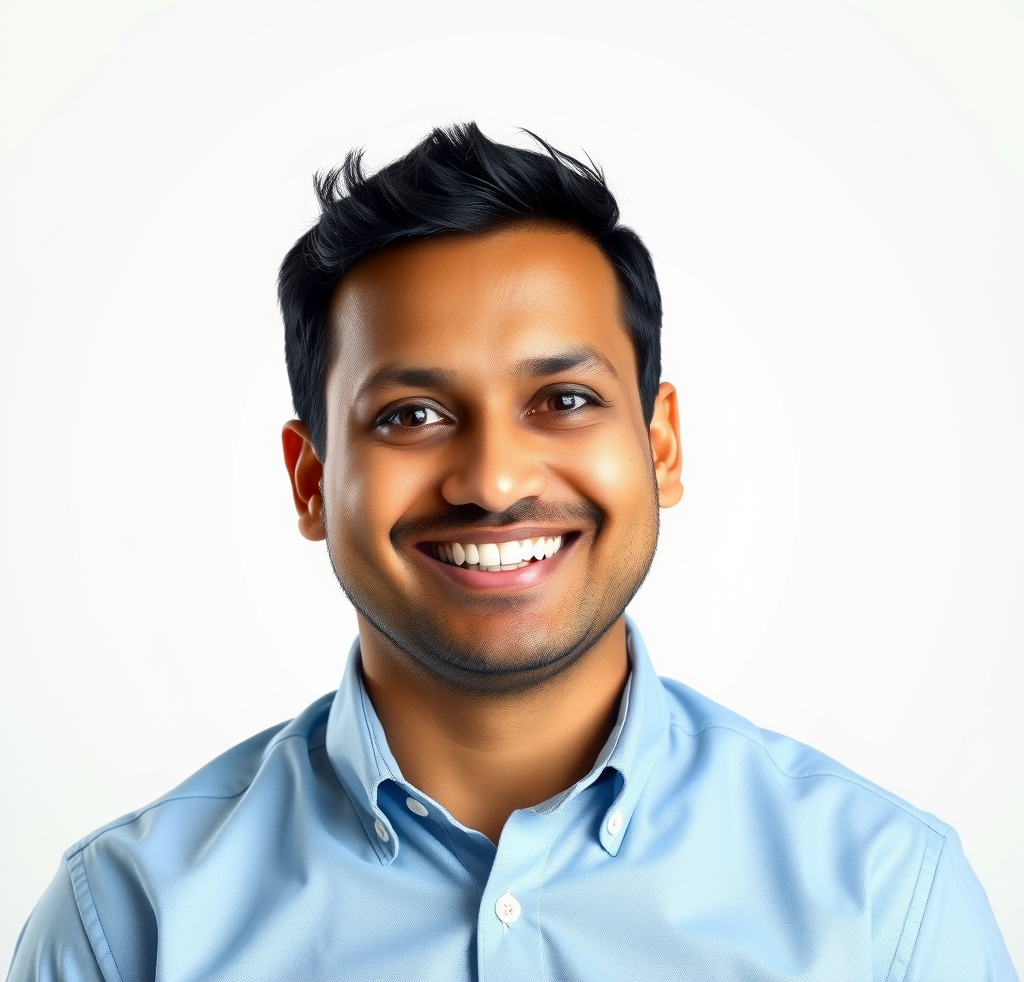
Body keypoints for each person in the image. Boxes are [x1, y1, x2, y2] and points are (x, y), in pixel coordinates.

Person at [8, 124, 1016, 982]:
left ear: (659, 445)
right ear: (310, 480)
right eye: (411, 413)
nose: (493, 480)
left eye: (564, 401)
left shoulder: (888, 905)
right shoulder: (129, 928)